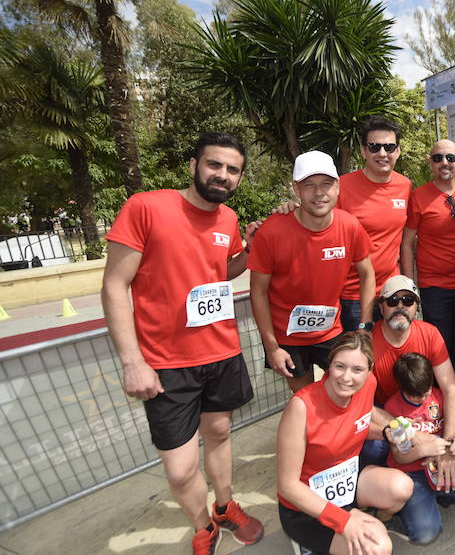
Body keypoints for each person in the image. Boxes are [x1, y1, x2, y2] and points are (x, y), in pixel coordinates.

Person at [101, 132, 264, 554]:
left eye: (232, 170)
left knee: (220, 433)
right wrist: (132, 361)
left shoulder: (227, 220)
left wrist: (251, 247)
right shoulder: (146, 207)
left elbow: (220, 273)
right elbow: (115, 285)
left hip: (222, 352)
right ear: (193, 165)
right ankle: (202, 524)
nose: (222, 175)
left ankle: (226, 508)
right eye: (215, 165)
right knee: (178, 469)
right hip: (165, 363)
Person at [249, 151, 375, 393]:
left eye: (326, 184)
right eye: (309, 185)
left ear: (338, 187)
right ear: (296, 189)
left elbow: (367, 274)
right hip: (288, 338)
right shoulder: (272, 231)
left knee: (347, 391)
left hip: (331, 331)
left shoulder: (349, 225)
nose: (319, 193)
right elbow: (258, 292)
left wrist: (365, 325)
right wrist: (272, 346)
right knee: (305, 400)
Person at [276, 332, 413, 555]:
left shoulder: (368, 385)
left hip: (345, 484)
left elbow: (354, 425)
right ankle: (314, 541)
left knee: (401, 487)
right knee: (378, 548)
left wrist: (386, 432)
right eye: (340, 366)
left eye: (357, 370)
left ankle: (363, 523)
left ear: (369, 371)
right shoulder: (301, 407)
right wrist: (343, 521)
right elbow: (287, 486)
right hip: (304, 505)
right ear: (328, 365)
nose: (347, 378)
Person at [384, 353, 455, 544]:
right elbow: (399, 457)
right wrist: (425, 450)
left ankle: (444, 495)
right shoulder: (392, 408)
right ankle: (414, 507)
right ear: (402, 387)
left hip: (449, 465)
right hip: (414, 474)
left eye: (426, 391)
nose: (422, 398)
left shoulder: (439, 396)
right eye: (415, 395)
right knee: (425, 534)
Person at [401, 140, 455, 376]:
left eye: (450, 158)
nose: (444, 163)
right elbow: (407, 242)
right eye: (438, 158)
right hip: (434, 286)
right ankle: (439, 394)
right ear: (430, 162)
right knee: (438, 345)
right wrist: (408, 285)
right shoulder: (419, 196)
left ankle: (454, 392)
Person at [370, 275, 455, 451]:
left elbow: (450, 388)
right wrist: (409, 431)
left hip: (426, 408)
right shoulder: (368, 343)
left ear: (417, 307)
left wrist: (448, 441)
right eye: (392, 301)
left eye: (408, 300)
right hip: (388, 413)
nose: (400, 306)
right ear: (381, 308)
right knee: (374, 448)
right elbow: (363, 405)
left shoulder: (430, 333)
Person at [337, 116, 412, 332]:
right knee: (358, 361)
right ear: (363, 151)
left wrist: (407, 285)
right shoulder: (342, 186)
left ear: (397, 151)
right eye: (374, 147)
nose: (382, 153)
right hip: (353, 296)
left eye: (389, 147)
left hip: (392, 294)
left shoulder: (405, 186)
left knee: (392, 362)